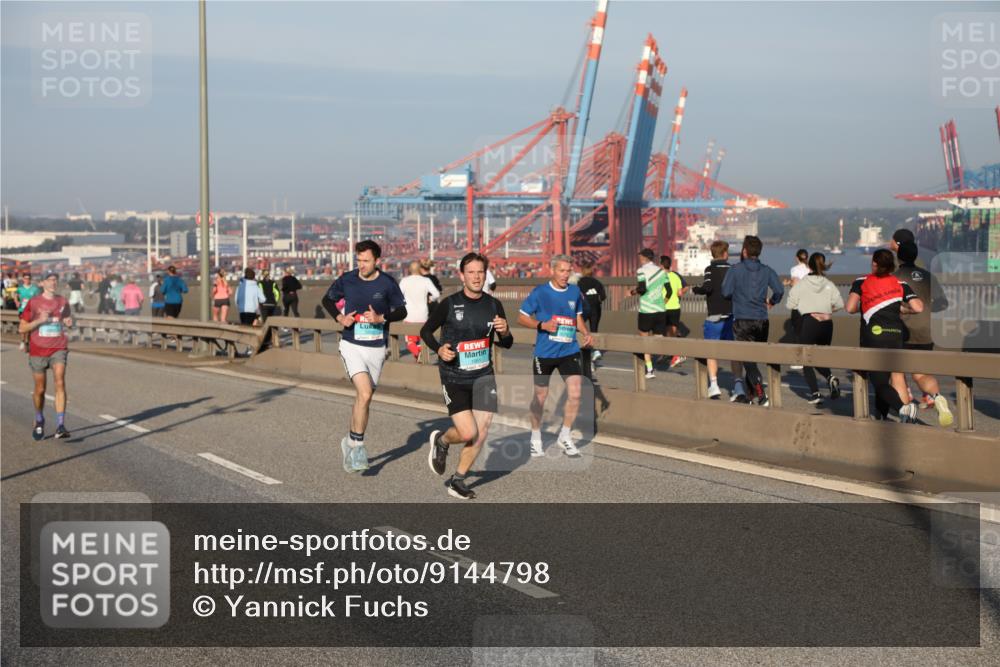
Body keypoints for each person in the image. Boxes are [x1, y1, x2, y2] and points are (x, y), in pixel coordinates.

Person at [420, 252, 513, 499]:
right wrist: (439, 349)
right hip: (454, 378)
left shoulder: (494, 304)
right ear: (462, 275)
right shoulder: (449, 304)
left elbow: (508, 343)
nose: (476, 277)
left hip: (484, 375)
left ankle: (458, 480)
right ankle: (442, 440)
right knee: (467, 432)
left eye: (480, 272)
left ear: (486, 275)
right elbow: (426, 331)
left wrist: (505, 332)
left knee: (482, 431)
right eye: (471, 272)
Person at [322, 240, 406, 473]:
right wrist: (340, 318)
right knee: (365, 392)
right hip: (351, 344)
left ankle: (349, 441)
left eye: (366, 261)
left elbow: (402, 310)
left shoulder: (388, 283)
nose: (361, 265)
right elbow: (327, 300)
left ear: (377, 261)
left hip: (376, 347)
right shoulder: (347, 279)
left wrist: (382, 318)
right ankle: (358, 447)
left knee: (364, 398)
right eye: (359, 260)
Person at [517, 254, 592, 458]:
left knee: (576, 393)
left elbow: (577, 316)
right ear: (552, 271)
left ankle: (564, 436)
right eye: (561, 270)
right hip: (545, 353)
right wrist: (542, 325)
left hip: (569, 350)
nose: (565, 275)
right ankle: (535, 437)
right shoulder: (541, 292)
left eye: (568, 271)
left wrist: (585, 332)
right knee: (540, 397)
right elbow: (521, 317)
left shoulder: (575, 291)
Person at [846, 249, 923, 423]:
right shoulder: (900, 283)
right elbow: (918, 307)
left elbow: (850, 308)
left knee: (880, 383)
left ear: (874, 263)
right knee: (896, 376)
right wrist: (902, 308)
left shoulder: (861, 282)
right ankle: (890, 416)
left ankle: (903, 408)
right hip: (895, 337)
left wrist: (866, 305)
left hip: (873, 338)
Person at [721, 235, 784, 406]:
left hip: (742, 318)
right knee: (754, 358)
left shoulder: (735, 270)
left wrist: (738, 295)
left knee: (746, 358)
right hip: (762, 320)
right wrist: (771, 302)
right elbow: (779, 290)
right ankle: (750, 395)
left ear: (744, 251)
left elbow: (725, 292)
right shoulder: (767, 270)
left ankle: (760, 392)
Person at [894, 240, 953, 426]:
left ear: (899, 256)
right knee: (921, 373)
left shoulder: (894, 277)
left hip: (902, 331)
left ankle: (906, 413)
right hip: (926, 332)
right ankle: (936, 398)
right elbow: (943, 303)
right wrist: (927, 309)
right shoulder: (928, 276)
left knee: (897, 373)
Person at [19, 272, 73, 440]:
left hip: (58, 348)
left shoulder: (63, 301)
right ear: (42, 283)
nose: (53, 282)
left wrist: (69, 322)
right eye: (49, 280)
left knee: (60, 381)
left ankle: (60, 425)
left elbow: (67, 319)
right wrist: (39, 321)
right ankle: (39, 418)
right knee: (40, 390)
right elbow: (22, 328)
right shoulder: (34, 302)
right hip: (37, 351)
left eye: (55, 280)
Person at [786, 253, 843, 405]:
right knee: (821, 356)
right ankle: (830, 377)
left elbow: (791, 303)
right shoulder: (828, 283)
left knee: (806, 358)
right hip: (827, 324)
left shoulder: (804, 282)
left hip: (810, 322)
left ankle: (815, 393)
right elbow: (839, 305)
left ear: (809, 266)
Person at [692, 240, 742, 399]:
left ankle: (714, 385)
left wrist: (694, 289)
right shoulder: (733, 269)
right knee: (734, 353)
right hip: (731, 316)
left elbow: (707, 288)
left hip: (714, 316)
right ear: (725, 254)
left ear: (713, 254)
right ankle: (738, 386)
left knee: (711, 352)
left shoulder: (710, 269)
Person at [631, 248, 668, 379]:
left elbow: (642, 288)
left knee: (645, 340)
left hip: (646, 310)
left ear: (644, 258)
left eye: (640, 258)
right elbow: (668, 291)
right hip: (660, 310)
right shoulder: (662, 272)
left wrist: (632, 292)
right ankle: (666, 355)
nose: (639, 260)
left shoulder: (641, 271)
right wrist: (662, 302)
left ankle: (650, 369)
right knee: (658, 338)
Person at [400, 260, 441, 362]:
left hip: (409, 316)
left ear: (409, 270)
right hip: (423, 315)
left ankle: (418, 354)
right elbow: (437, 294)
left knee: (410, 342)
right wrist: (430, 299)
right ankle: (419, 358)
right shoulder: (425, 281)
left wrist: (404, 302)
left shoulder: (404, 281)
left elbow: (398, 297)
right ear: (420, 269)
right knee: (420, 340)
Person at [661, 255, 689, 368]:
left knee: (667, 332)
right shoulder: (676, 276)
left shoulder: (660, 276)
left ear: (661, 265)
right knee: (669, 331)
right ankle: (669, 355)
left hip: (664, 307)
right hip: (675, 307)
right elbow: (685, 287)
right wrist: (681, 292)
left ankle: (677, 354)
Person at [576, 264, 606, 363]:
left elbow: (576, 295)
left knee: (578, 328)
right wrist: (597, 300)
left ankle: (578, 350)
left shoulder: (579, 283)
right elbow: (603, 296)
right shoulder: (597, 283)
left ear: (583, 271)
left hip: (584, 309)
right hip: (596, 309)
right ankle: (596, 350)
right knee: (594, 330)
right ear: (591, 272)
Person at [16, 272, 40, 352]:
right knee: (23, 326)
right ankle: (23, 341)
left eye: (28, 278)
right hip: (22, 310)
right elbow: (15, 295)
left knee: (29, 327)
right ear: (23, 279)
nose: (27, 280)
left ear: (30, 279)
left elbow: (38, 299)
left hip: (31, 311)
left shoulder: (35, 289)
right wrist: (17, 302)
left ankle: (27, 342)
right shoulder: (20, 288)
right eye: (25, 278)